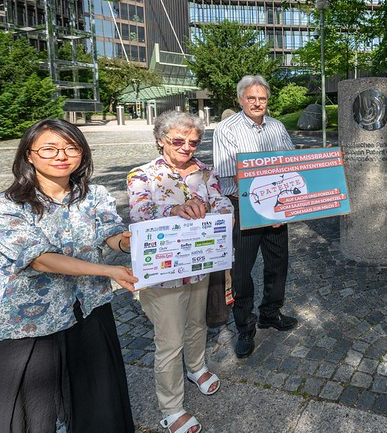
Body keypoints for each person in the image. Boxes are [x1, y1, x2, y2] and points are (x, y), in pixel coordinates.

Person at [0, 119, 137, 433]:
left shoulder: (95, 195)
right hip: (30, 323)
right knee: (34, 415)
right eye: (49, 148)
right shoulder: (9, 206)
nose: (61, 155)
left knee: (98, 404)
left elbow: (111, 233)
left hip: (89, 309)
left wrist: (128, 241)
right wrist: (108, 270)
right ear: (29, 155)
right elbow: (41, 260)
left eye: (71, 147)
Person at [127, 110, 233, 433]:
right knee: (169, 340)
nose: (187, 147)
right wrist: (174, 210)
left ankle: (197, 366)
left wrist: (215, 211)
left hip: (198, 267)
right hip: (163, 275)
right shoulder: (141, 176)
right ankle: (171, 406)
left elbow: (224, 205)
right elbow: (140, 212)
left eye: (193, 141)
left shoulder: (205, 172)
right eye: (178, 140)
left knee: (197, 323)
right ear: (161, 141)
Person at [213, 75, 297, 359]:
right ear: (240, 99)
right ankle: (245, 328)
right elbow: (231, 172)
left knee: (278, 263)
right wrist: (266, 203)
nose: (257, 103)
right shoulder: (226, 129)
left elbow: (291, 163)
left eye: (262, 98)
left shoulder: (277, 127)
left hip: (277, 205)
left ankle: (270, 313)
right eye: (251, 98)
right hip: (242, 206)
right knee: (241, 272)